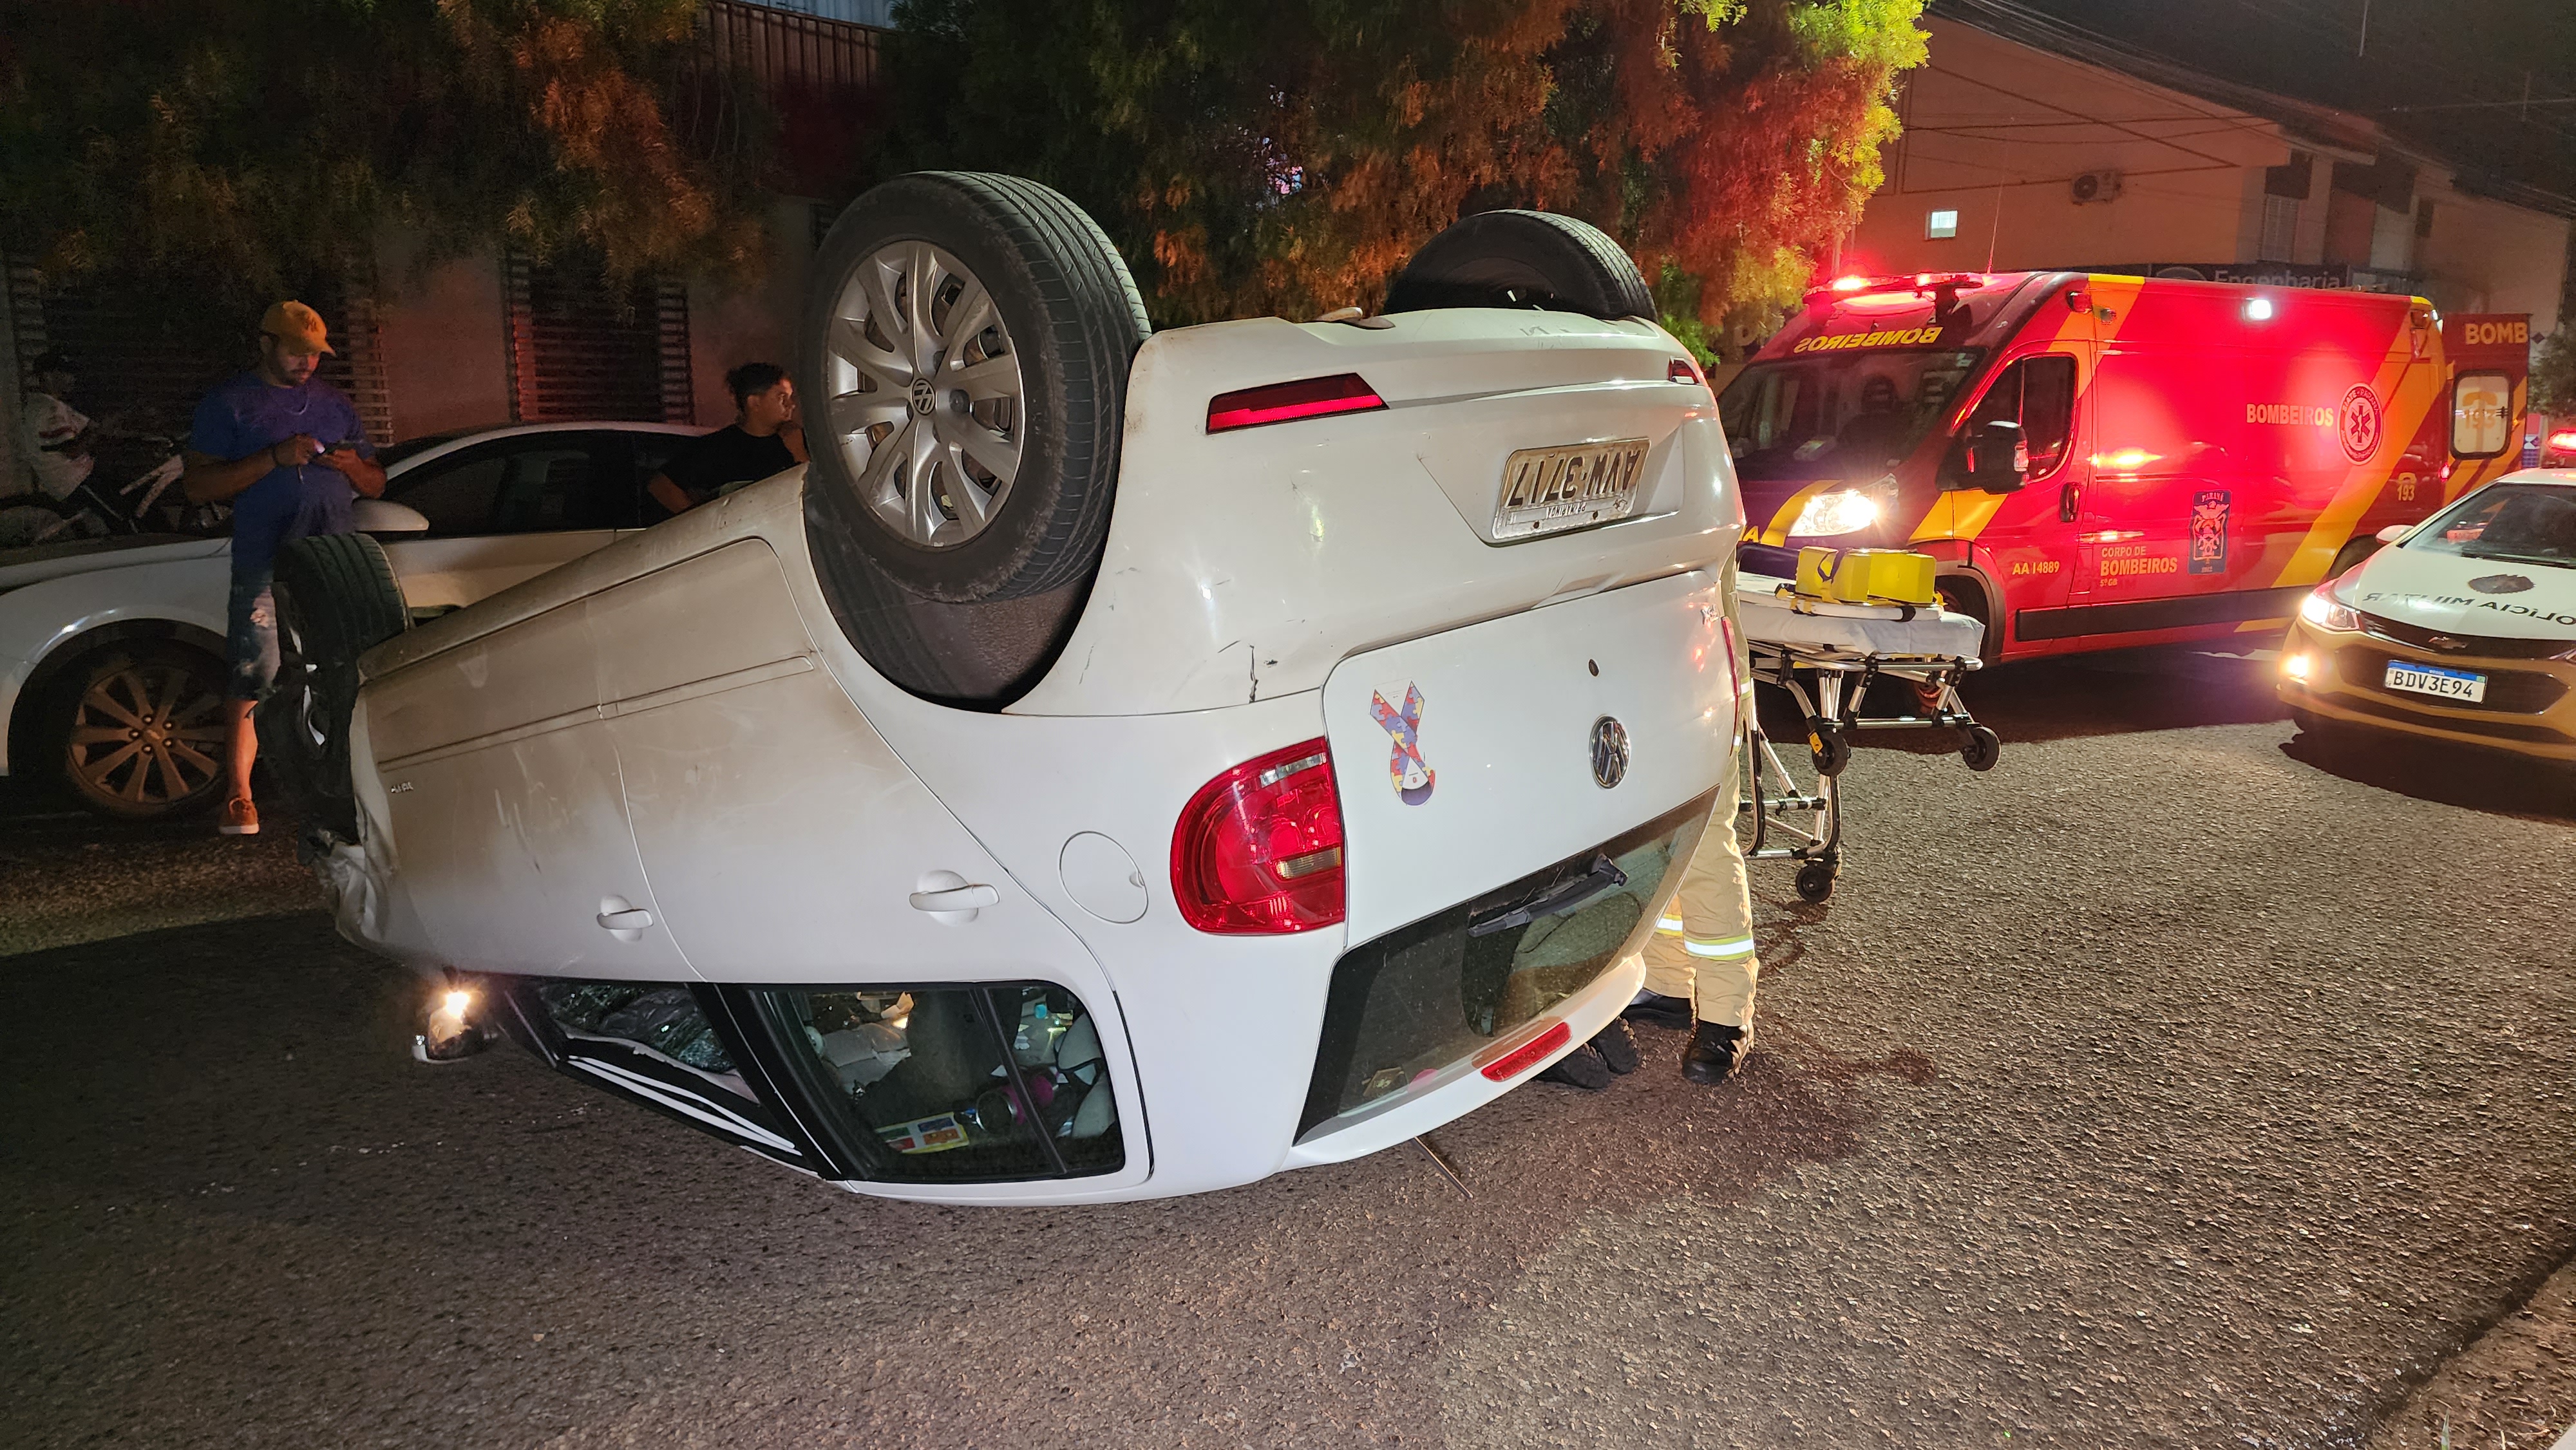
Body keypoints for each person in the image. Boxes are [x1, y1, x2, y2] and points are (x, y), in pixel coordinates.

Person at [181, 301, 386, 837]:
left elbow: (377, 484)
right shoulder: (228, 404)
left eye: (315, 355)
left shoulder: (334, 404)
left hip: (332, 563)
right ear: (266, 343)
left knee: (345, 674)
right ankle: (240, 795)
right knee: (256, 673)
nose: (307, 364)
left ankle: (351, 784)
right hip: (264, 561)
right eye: (297, 353)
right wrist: (272, 459)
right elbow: (199, 486)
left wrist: (353, 466)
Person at [1624, 556, 1763, 1085]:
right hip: (1640, 692)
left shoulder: (1688, 475)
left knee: (1703, 848)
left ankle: (1727, 1016)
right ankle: (1667, 984)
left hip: (1699, 690)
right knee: (1652, 845)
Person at [647, 362, 806, 519]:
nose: (791, 405)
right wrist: (702, 522)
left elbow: (817, 492)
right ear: (754, 403)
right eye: (782, 398)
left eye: (791, 398)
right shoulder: (718, 447)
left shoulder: (799, 440)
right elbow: (661, 486)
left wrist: (799, 452)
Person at [18, 350, 96, 502]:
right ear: (47, 376)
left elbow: (90, 425)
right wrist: (99, 432)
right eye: (65, 373)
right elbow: (72, 451)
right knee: (123, 517)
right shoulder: (48, 409)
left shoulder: (54, 405)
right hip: (74, 481)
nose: (72, 379)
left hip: (82, 474)